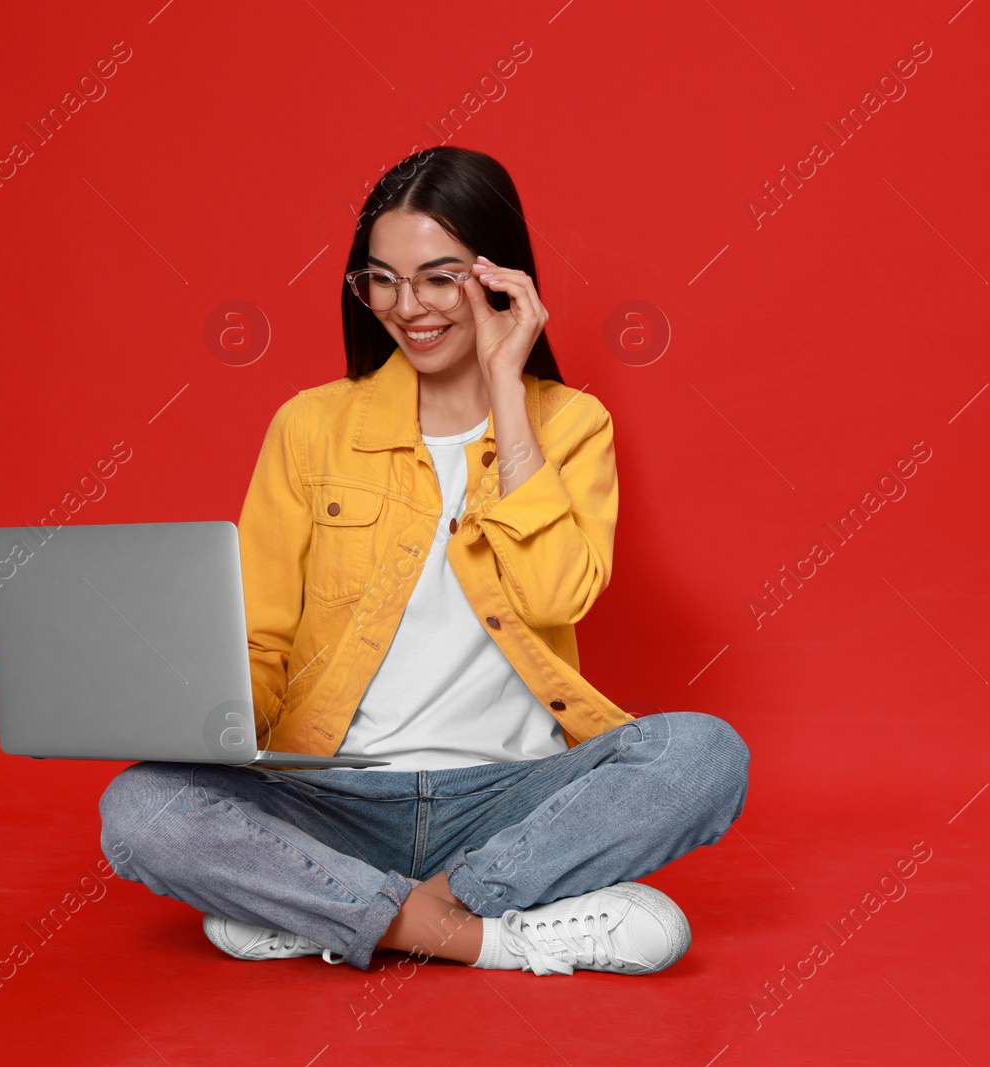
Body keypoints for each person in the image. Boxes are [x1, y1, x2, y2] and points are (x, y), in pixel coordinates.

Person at [98, 145, 749, 978]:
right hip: (335, 793)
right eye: (382, 280)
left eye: (440, 278)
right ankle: (493, 936)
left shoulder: (572, 423)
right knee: (141, 807)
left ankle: (334, 908)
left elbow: (558, 593)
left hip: (513, 796)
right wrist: (195, 711)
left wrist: (508, 389)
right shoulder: (311, 426)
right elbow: (258, 642)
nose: (409, 308)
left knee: (703, 754)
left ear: (498, 276)